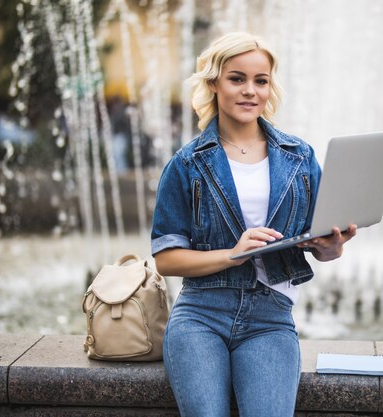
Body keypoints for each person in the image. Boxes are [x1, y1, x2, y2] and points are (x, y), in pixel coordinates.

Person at [150, 32, 357, 417]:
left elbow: (325, 246)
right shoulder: (187, 163)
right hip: (201, 316)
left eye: (260, 81)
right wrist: (233, 254)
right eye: (236, 78)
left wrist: (332, 246)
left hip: (270, 317)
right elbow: (166, 258)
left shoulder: (300, 157)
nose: (250, 91)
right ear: (213, 83)